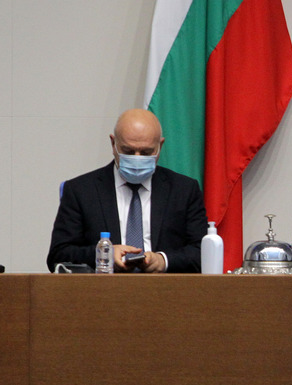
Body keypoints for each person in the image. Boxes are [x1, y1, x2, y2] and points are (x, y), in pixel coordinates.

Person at [47, 109, 208, 273]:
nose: (137, 158)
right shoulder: (81, 191)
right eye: (128, 151)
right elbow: (58, 255)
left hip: (165, 286)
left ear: (160, 146)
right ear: (113, 144)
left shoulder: (184, 190)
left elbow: (203, 252)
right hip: (104, 286)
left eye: (146, 152)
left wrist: (163, 260)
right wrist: (104, 254)